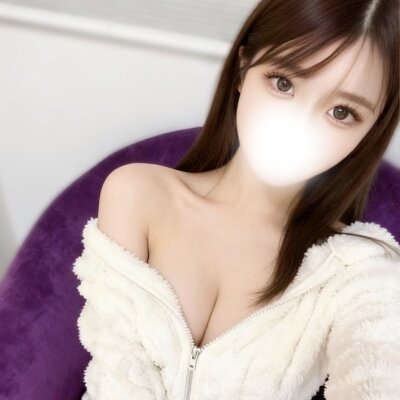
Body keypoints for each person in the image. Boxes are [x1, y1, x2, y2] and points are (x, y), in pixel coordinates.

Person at [73, 0, 400, 398]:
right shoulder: (138, 194)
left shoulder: (359, 270)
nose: (298, 126)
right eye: (284, 83)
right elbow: (115, 375)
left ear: (370, 130)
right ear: (244, 67)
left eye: (342, 112)